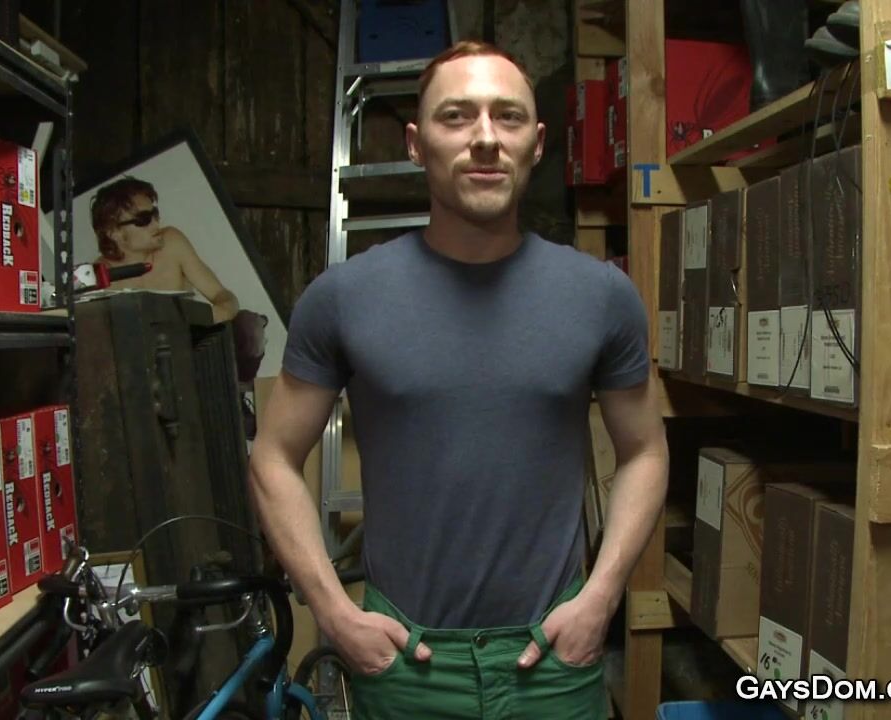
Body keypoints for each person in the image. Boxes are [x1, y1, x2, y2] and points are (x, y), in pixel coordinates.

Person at [249, 41, 669, 719]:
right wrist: (332, 611)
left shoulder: (600, 296)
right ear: (416, 144)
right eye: (457, 116)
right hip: (405, 666)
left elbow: (645, 451)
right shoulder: (344, 298)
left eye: (508, 117)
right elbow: (273, 456)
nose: (485, 138)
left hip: (553, 663)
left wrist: (601, 597)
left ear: (536, 144)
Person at [90, 176, 241, 322]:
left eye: (155, 214)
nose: (156, 223)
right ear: (113, 232)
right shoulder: (101, 277)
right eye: (144, 219)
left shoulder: (171, 242)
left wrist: (219, 313)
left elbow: (221, 294)